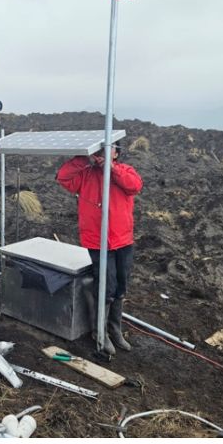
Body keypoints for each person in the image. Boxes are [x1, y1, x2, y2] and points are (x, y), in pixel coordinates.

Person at [56, 143, 143, 355]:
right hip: (97, 240)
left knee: (120, 286)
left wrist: (111, 169)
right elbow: (63, 177)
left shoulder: (124, 171)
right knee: (106, 286)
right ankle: (99, 333)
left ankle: (115, 330)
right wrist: (85, 159)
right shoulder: (86, 174)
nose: (104, 152)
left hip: (122, 239)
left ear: (117, 153)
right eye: (101, 148)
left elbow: (134, 186)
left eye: (110, 148)